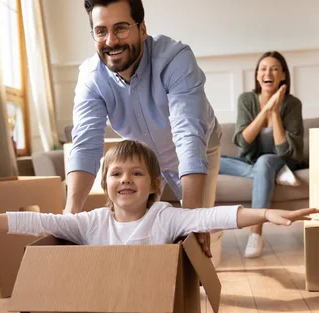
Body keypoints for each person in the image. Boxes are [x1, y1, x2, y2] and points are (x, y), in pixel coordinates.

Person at [0, 141, 318, 247]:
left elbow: (214, 216)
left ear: (154, 185)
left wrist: (265, 214)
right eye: (116, 173)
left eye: (137, 173)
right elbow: (36, 221)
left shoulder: (164, 216)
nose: (125, 179)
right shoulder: (90, 224)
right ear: (106, 185)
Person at [65, 0, 222, 256]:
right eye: (101, 31)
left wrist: (193, 219)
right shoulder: (91, 77)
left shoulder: (175, 59)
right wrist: (69, 217)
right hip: (144, 160)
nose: (111, 41)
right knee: (140, 233)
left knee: (202, 231)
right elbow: (86, 145)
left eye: (121, 28)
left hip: (200, 147)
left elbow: (188, 136)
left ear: (142, 29)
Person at [219, 51, 304, 258]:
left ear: (283, 75)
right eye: (264, 69)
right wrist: (265, 109)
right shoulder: (246, 100)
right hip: (252, 161)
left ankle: (255, 234)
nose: (269, 73)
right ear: (257, 75)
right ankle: (268, 175)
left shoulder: (292, 104)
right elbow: (243, 143)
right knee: (212, 160)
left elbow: (285, 150)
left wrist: (275, 113)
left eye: (275, 69)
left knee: (266, 161)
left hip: (281, 161)